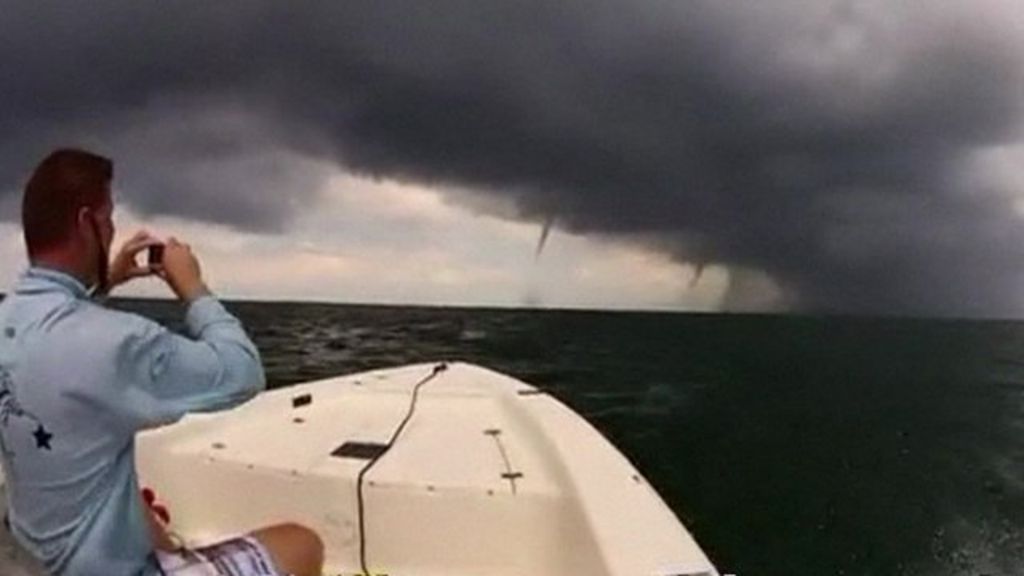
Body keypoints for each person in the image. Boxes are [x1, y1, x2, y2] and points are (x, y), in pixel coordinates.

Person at [0, 149, 324, 575]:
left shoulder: (9, 319)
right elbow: (243, 371)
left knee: (147, 516)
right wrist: (193, 286)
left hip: (41, 561)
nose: (113, 229)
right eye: (109, 218)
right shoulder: (119, 343)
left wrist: (103, 283)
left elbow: (55, 339)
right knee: (301, 544)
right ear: (87, 224)